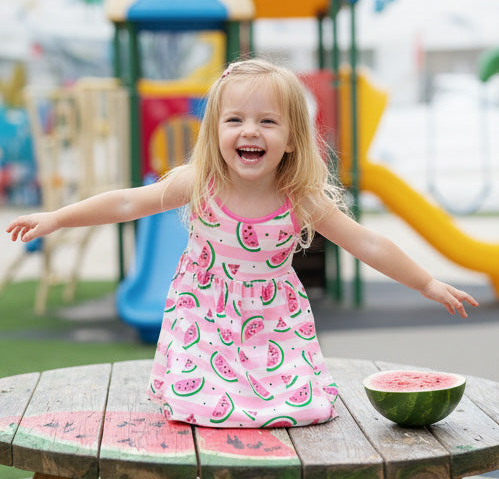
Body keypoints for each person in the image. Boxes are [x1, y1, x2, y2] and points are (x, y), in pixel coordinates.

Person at [6, 58, 478, 428]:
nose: (249, 131)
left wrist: (427, 283)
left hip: (275, 322)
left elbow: (368, 244)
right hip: (203, 314)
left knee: (303, 410)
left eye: (267, 122)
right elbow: (127, 203)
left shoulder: (301, 198)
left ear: (292, 139)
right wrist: (56, 218)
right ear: (215, 131)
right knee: (200, 408)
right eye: (235, 119)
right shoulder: (200, 182)